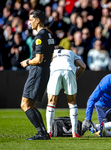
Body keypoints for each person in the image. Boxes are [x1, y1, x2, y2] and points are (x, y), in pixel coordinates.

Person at [20, 10, 55, 140]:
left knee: (25, 104)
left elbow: (38, 59)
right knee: (30, 104)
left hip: (37, 71)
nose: (29, 23)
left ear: (38, 20)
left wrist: (27, 62)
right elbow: (50, 58)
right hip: (45, 70)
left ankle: (42, 133)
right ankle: (43, 133)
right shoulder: (49, 35)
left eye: (31, 20)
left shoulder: (40, 37)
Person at [46, 45, 86, 138]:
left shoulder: (51, 54)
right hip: (69, 71)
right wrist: (76, 76)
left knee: (51, 102)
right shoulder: (70, 52)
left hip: (55, 72)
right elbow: (83, 66)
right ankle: (74, 132)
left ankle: (49, 132)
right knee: (72, 102)